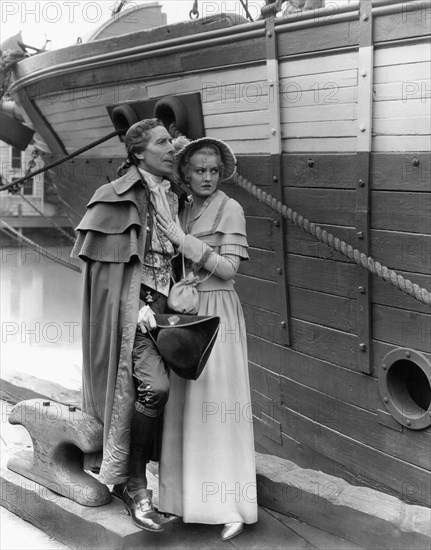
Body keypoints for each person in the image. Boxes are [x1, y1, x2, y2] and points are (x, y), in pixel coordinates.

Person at [72, 118, 187, 533]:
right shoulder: (111, 197)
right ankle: (134, 487)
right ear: (138, 152)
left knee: (180, 394)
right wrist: (134, 304)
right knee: (154, 389)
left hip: (173, 313)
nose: (171, 147)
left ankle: (175, 488)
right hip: (134, 317)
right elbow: (104, 278)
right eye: (162, 143)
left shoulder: (177, 196)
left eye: (172, 142)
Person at [156, 137, 258, 541]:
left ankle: (231, 507)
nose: (207, 177)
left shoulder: (230, 208)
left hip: (219, 313)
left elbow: (230, 269)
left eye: (214, 170)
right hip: (190, 311)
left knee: (220, 405)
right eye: (199, 170)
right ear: (186, 172)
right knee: (188, 408)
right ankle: (185, 503)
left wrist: (185, 242)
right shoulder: (185, 205)